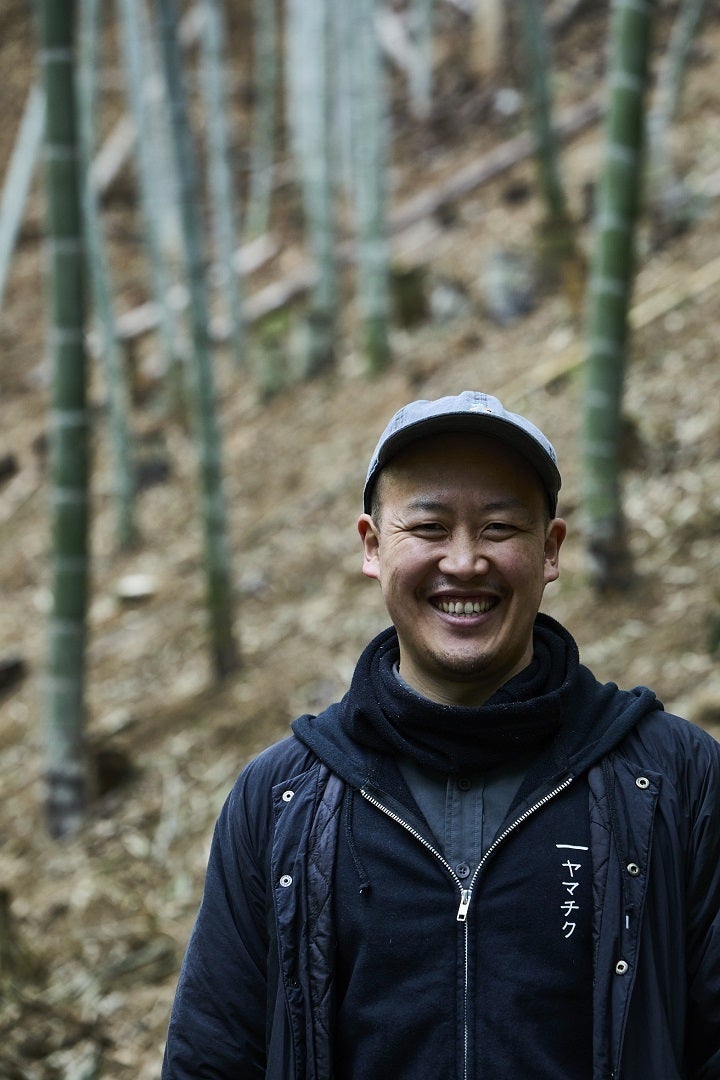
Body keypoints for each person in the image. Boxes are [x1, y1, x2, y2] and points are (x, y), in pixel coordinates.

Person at [162, 391, 720, 1079]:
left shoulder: (673, 777)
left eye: (498, 527)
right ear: (373, 546)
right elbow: (213, 1057)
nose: (463, 562)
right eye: (428, 527)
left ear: (550, 550)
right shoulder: (281, 799)